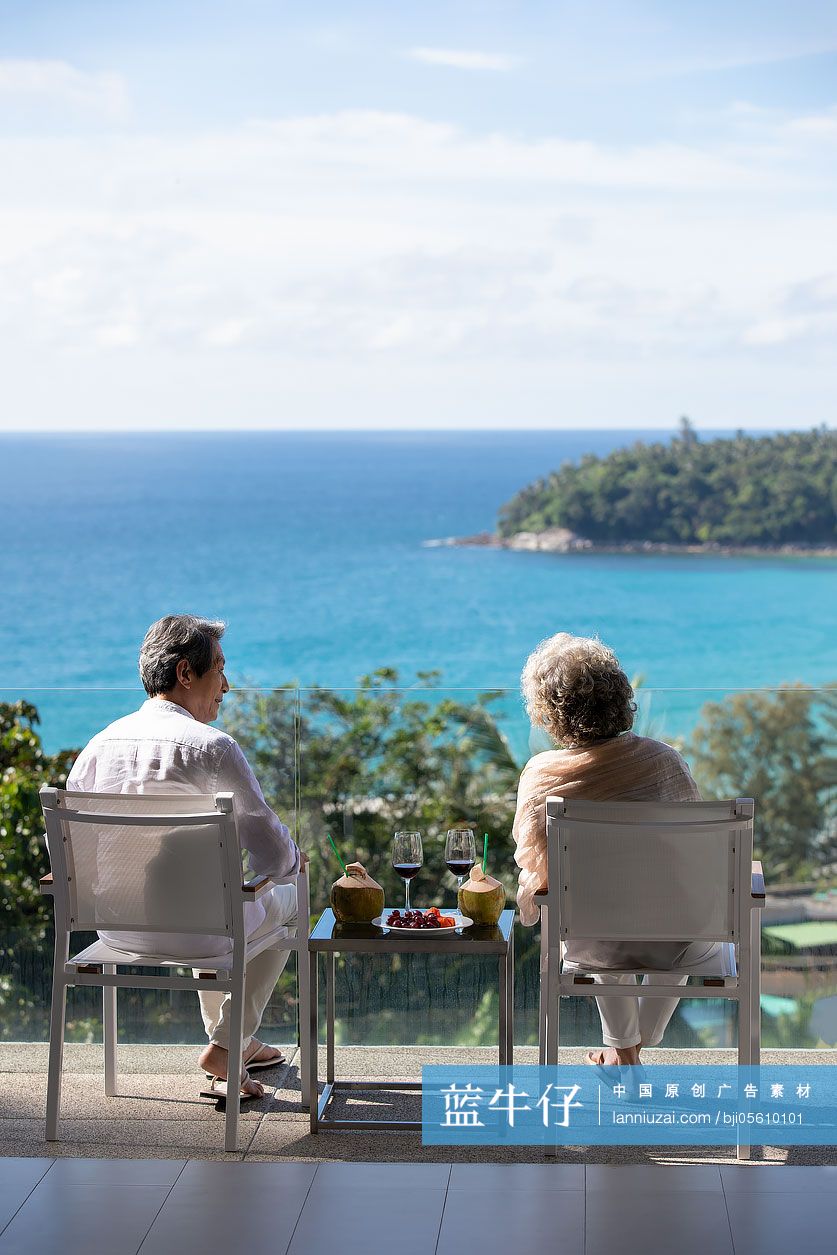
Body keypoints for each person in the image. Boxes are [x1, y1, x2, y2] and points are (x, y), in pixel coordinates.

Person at [67, 614, 304, 1099]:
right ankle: (228, 1042)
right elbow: (275, 856)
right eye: (219, 669)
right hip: (203, 930)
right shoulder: (213, 749)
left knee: (207, 894)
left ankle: (236, 1040)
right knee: (289, 897)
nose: (227, 684)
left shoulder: (96, 747)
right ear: (185, 673)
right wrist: (295, 861)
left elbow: (71, 858)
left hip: (116, 927)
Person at [513, 632, 720, 1069]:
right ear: (619, 695)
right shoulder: (664, 761)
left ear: (549, 711)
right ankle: (637, 1045)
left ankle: (625, 1052)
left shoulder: (543, 777)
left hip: (594, 937)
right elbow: (698, 850)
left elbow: (539, 868)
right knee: (661, 910)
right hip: (678, 938)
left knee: (603, 916)